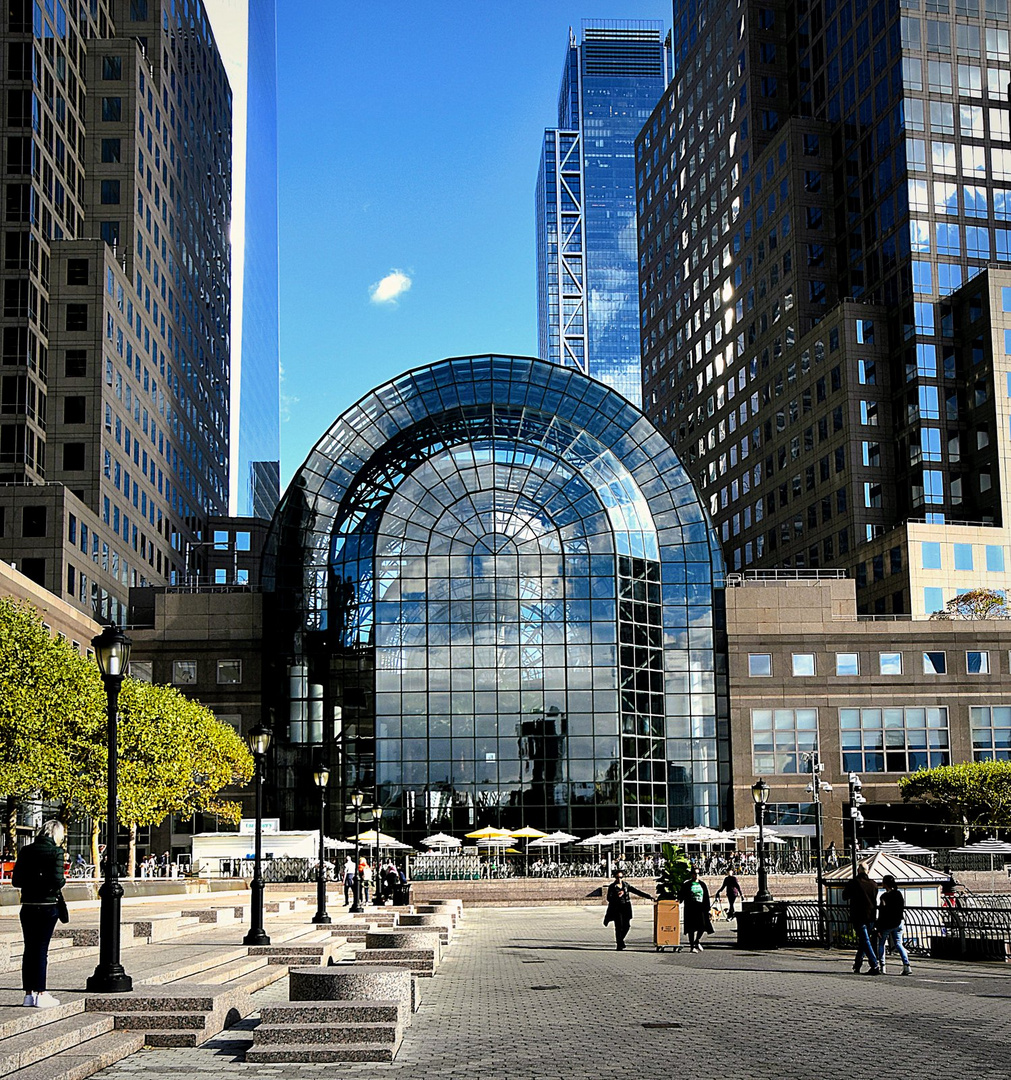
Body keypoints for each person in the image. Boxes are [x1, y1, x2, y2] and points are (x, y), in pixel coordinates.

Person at [12, 819, 66, 1008]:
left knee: (29, 949)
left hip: (27, 905)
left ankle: (28, 994)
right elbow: (59, 881)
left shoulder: (26, 850)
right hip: (47, 905)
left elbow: (16, 880)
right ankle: (41, 993)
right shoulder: (56, 852)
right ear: (57, 835)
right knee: (42, 950)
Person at [603, 868, 654, 950]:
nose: (619, 879)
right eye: (617, 877)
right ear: (615, 878)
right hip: (617, 908)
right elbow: (609, 898)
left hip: (626, 907)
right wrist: (617, 895)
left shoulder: (626, 885)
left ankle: (620, 940)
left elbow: (636, 891)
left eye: (621, 877)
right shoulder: (612, 887)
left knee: (627, 926)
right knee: (619, 926)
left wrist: (648, 896)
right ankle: (619, 944)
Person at [842, 867, 880, 975]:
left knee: (865, 940)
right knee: (864, 940)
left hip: (858, 915)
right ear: (867, 871)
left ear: (858, 870)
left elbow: (844, 896)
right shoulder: (873, 884)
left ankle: (874, 965)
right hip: (871, 916)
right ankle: (857, 964)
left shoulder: (854, 883)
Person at [875, 874, 912, 976]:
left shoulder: (884, 897)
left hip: (887, 924)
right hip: (899, 922)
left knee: (881, 943)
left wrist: (878, 927)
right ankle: (906, 965)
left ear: (885, 884)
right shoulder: (899, 894)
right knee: (899, 944)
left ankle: (882, 967)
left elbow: (882, 912)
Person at [678, 868, 713, 952]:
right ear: (692, 874)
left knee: (703, 926)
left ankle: (697, 940)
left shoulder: (702, 884)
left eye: (698, 873)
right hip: (691, 908)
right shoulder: (687, 884)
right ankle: (692, 946)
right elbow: (681, 895)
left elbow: (706, 897)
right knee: (691, 928)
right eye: (695, 873)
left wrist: (708, 908)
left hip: (701, 908)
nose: (696, 875)